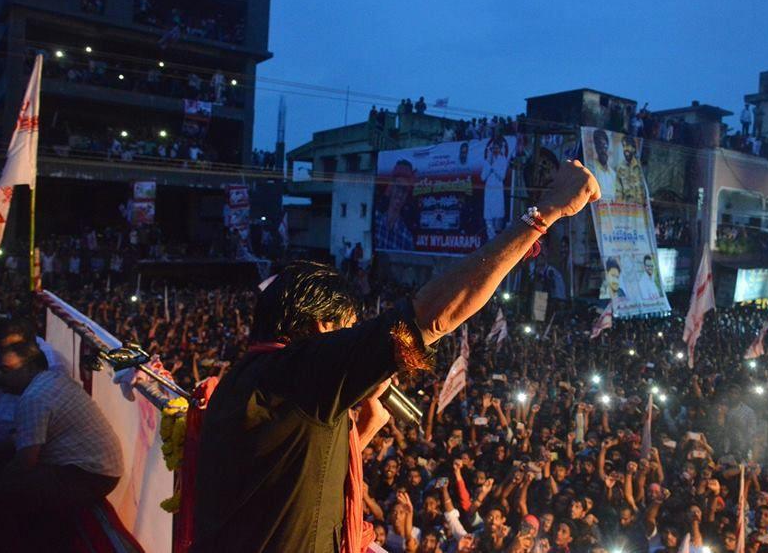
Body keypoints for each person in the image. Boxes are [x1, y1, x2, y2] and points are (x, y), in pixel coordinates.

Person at [192, 160, 601, 552]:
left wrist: (360, 432)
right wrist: (544, 213)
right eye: (347, 330)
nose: (351, 341)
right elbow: (434, 316)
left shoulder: (243, 380)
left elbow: (285, 482)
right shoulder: (302, 370)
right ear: (320, 328)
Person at [0, 338, 123, 551]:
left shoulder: (33, 398)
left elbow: (25, 462)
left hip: (88, 475)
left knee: (8, 492)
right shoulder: (53, 379)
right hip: (102, 467)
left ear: (29, 368)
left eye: (6, 371)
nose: (0, 377)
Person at [480, 139, 509, 240]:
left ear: (500, 149)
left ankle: (496, 240)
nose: (495, 150)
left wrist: (494, 167)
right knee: (488, 217)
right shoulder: (487, 160)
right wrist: (489, 164)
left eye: (497, 148)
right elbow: (483, 177)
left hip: (497, 191)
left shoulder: (503, 160)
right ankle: (490, 239)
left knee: (498, 216)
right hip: (488, 191)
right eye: (493, 148)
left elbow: (502, 176)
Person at [590, 129, 616, 202]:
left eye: (605, 146)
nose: (603, 150)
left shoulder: (612, 174)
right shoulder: (591, 168)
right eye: (599, 146)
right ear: (595, 147)